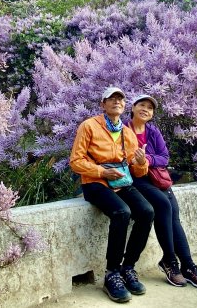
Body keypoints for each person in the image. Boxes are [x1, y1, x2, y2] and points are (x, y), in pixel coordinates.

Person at [70, 87, 154, 303]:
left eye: (120, 99)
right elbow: (76, 161)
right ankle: (112, 274)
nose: (117, 101)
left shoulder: (127, 133)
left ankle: (128, 268)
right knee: (121, 212)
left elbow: (136, 171)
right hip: (95, 182)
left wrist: (141, 162)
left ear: (124, 106)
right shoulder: (89, 126)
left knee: (146, 212)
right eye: (112, 98)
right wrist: (101, 171)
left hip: (121, 182)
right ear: (103, 104)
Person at [126, 94, 197, 289]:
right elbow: (125, 158)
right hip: (138, 179)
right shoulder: (124, 131)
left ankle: (188, 266)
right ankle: (170, 262)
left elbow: (164, 157)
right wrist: (141, 162)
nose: (146, 109)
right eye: (142, 105)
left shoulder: (152, 131)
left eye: (150, 107)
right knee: (163, 205)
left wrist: (147, 159)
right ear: (133, 107)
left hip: (157, 177)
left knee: (174, 216)